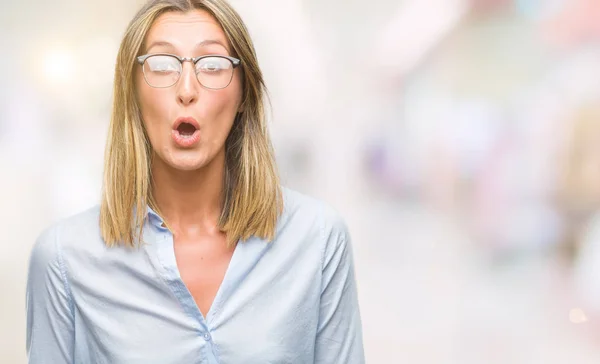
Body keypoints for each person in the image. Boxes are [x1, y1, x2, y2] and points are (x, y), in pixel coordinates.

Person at [25, 0, 365, 363]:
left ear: (242, 96)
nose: (187, 89)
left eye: (213, 65)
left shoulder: (318, 241)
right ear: (133, 94)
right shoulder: (63, 259)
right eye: (161, 64)